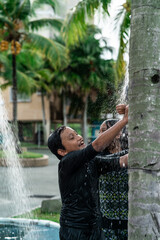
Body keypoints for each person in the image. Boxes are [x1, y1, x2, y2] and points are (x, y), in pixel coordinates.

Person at [48, 104, 128, 240]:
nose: (79, 137)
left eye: (77, 133)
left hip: (95, 227)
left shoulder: (91, 161)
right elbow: (97, 146)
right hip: (74, 230)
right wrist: (125, 120)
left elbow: (121, 160)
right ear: (62, 151)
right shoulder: (66, 162)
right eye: (72, 137)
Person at [98, 119, 128, 239]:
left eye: (104, 131)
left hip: (131, 221)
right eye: (100, 132)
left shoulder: (136, 156)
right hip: (107, 225)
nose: (100, 136)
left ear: (118, 133)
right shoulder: (97, 156)